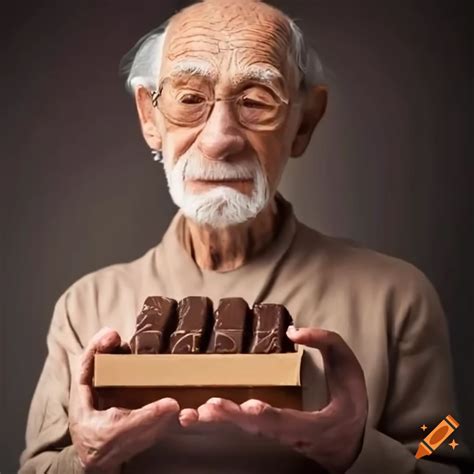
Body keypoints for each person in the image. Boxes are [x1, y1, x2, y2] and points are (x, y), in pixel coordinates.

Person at [19, 1, 470, 473]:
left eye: (256, 100)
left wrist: (358, 450)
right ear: (149, 118)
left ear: (304, 122)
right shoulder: (84, 307)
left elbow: (448, 447)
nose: (219, 138)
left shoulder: (397, 295)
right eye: (189, 98)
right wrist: (86, 460)